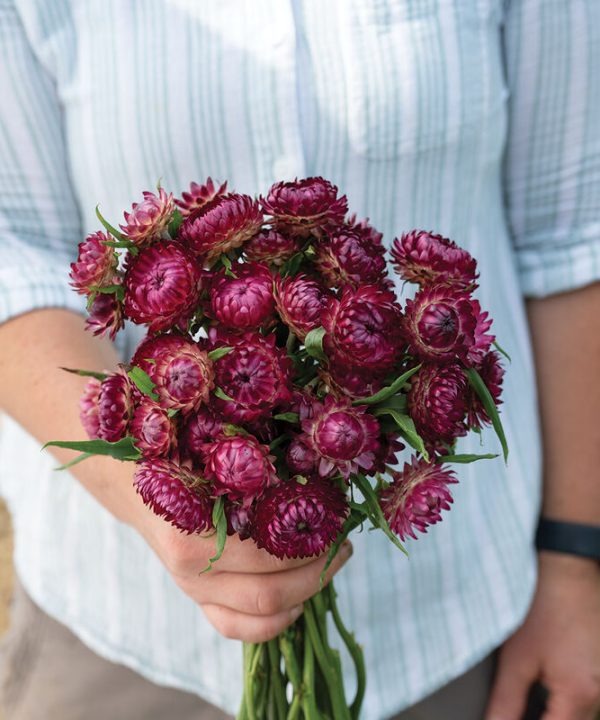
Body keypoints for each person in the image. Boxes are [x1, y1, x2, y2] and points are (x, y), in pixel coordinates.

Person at [0, 1, 599, 719]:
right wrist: (150, 483)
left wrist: (574, 561)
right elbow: (14, 258)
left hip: (460, 619)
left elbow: (573, 237)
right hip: (124, 624)